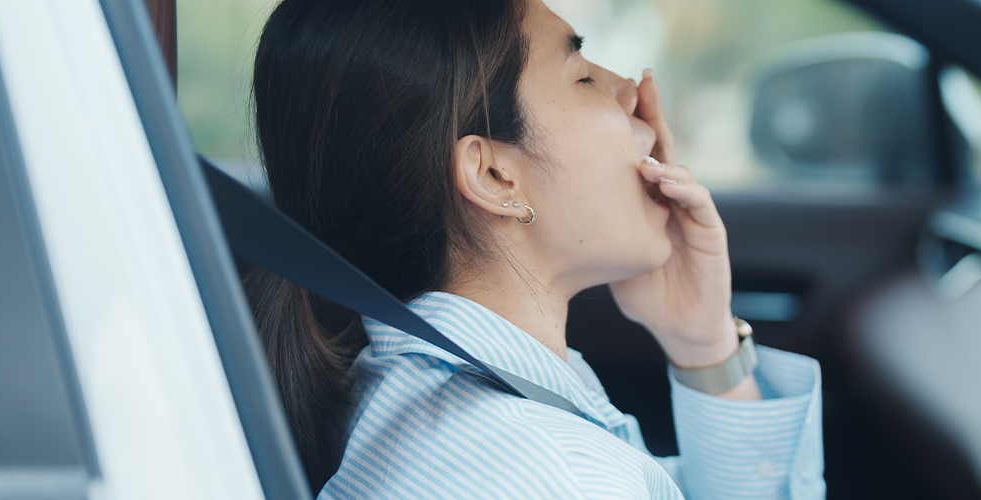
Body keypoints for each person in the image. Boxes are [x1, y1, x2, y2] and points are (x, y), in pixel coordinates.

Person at [241, 0, 823, 497]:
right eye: (584, 77)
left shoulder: (405, 396)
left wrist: (702, 341)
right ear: (494, 176)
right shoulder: (555, 474)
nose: (633, 92)